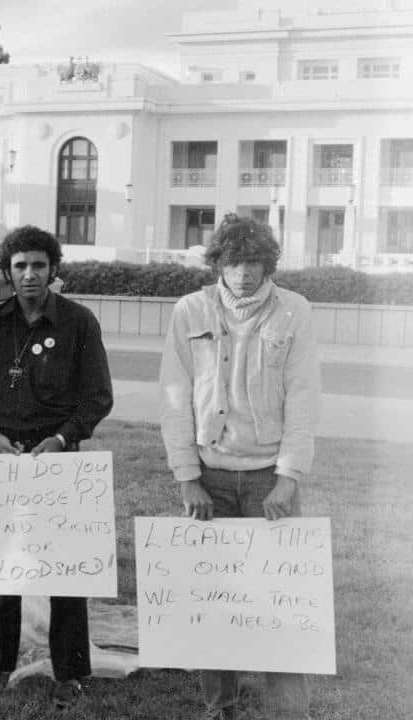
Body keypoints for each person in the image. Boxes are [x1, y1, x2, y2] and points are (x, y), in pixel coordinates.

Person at [159, 213, 320, 720]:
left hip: (269, 481)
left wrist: (288, 477)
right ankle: (219, 709)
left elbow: (304, 399)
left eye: (254, 262)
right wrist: (188, 478)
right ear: (218, 264)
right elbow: (174, 399)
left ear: (267, 264)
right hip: (208, 479)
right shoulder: (189, 311)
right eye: (233, 262)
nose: (244, 273)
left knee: (281, 606)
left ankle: (289, 711)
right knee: (214, 604)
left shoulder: (295, 311)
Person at [0, 225, 114, 710]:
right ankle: (1, 663)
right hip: (4, 462)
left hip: (59, 461)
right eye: (20, 266)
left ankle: (69, 672)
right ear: (8, 272)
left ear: (53, 270)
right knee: (4, 568)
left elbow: (98, 396)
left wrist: (63, 438)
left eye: (39, 266)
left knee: (64, 572)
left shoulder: (79, 323)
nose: (29, 275)